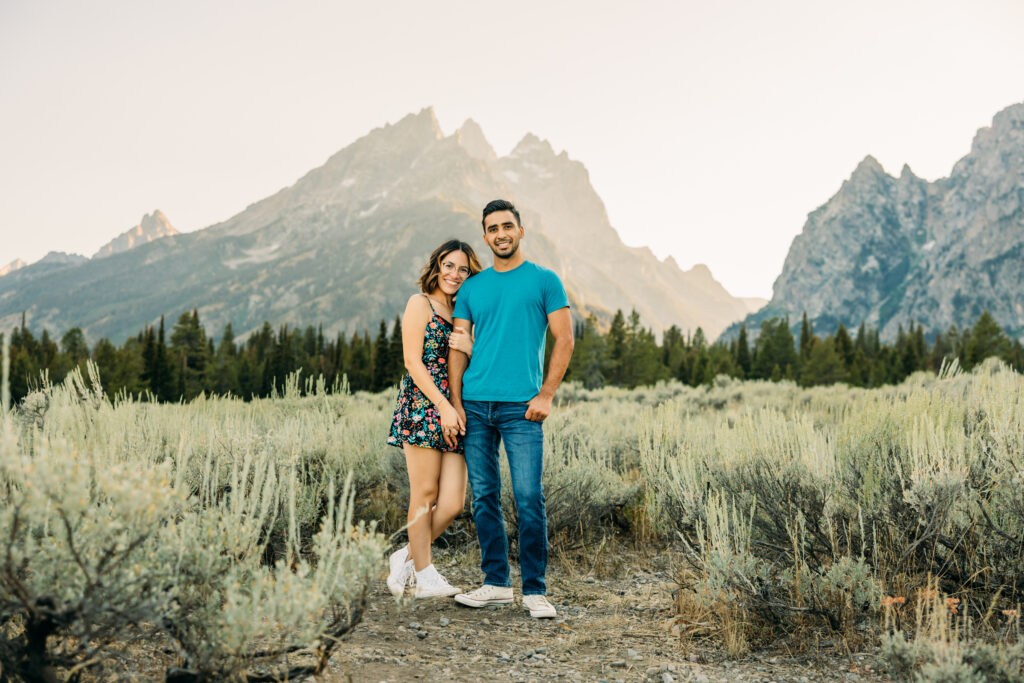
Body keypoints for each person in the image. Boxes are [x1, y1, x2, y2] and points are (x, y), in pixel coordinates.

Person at [447, 199, 574, 619]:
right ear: (485, 237)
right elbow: (459, 347)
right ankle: (496, 583)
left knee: (527, 497)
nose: (500, 234)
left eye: (507, 226)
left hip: (523, 409)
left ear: (520, 230)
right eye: (492, 228)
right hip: (477, 406)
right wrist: (455, 402)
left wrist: (547, 394)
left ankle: (535, 590)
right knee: (483, 496)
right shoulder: (472, 288)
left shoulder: (544, 280)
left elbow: (565, 338)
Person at [385, 239, 483, 598]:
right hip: (424, 405)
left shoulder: (463, 312)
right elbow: (412, 362)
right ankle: (424, 573)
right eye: (449, 265)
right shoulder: (420, 304)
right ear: (436, 266)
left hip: (456, 408)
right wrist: (442, 406)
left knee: (454, 502)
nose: (455, 274)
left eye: (463, 269)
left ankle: (406, 556)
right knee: (424, 493)